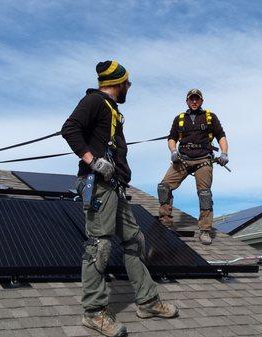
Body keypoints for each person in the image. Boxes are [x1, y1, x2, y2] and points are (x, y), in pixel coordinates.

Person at [61, 60, 178, 337]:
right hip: (99, 185)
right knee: (99, 246)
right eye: (127, 82)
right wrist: (92, 161)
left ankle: (147, 302)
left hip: (114, 186)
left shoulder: (110, 108)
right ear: (118, 82)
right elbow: (70, 129)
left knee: (134, 240)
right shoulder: (94, 101)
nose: (130, 86)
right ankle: (94, 313)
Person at [157, 89, 228, 245]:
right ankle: (166, 222)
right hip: (183, 159)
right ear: (187, 101)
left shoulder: (210, 117)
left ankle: (205, 230)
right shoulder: (180, 119)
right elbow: (172, 138)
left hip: (203, 159)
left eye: (197, 99)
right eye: (191, 99)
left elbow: (221, 135)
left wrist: (224, 153)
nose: (194, 101)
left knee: (204, 194)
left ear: (201, 101)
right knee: (163, 186)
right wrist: (173, 151)